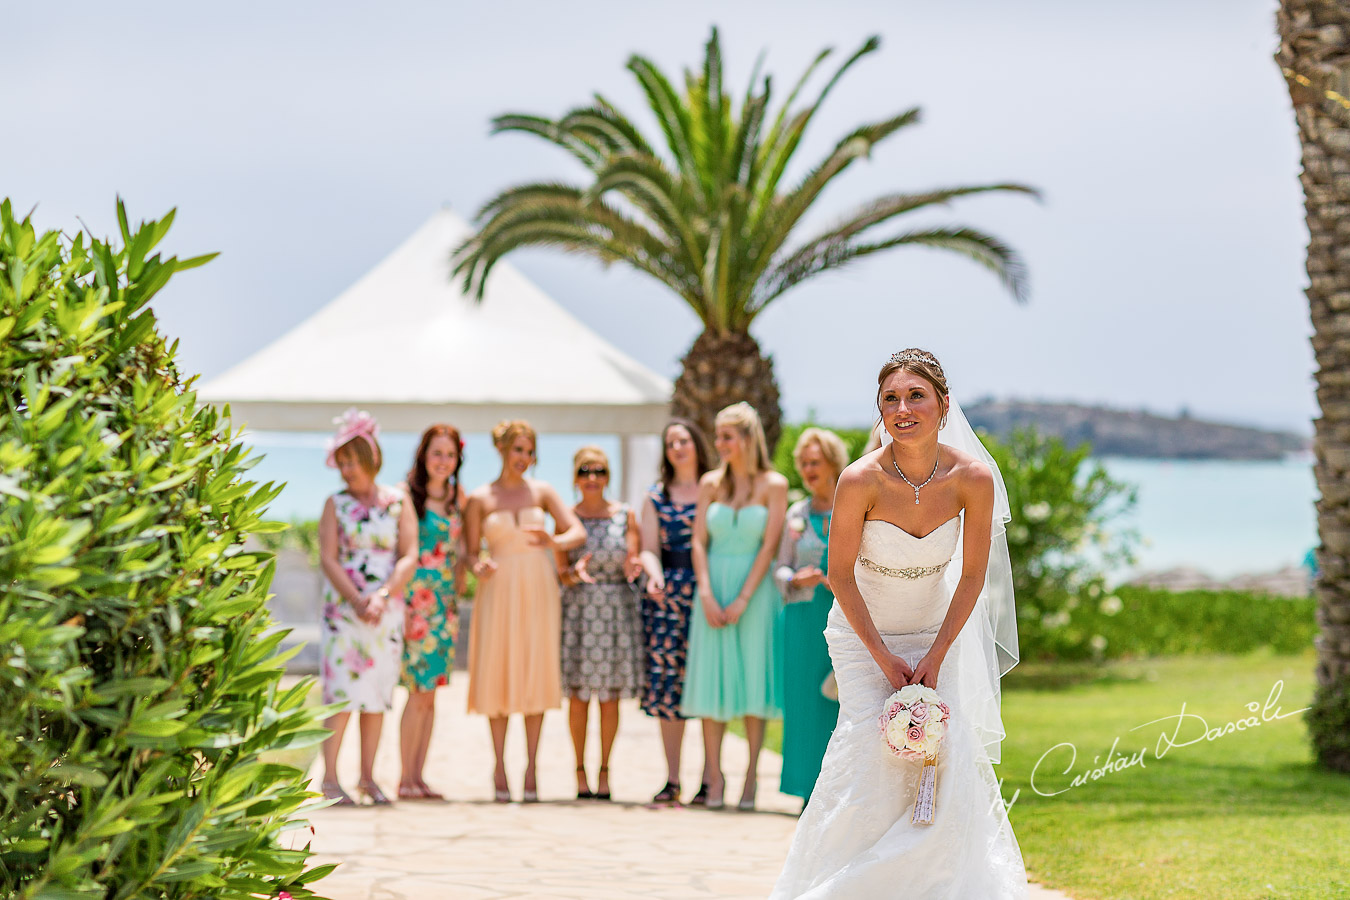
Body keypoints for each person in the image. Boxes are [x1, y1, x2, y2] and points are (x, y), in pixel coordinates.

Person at [771, 349, 1027, 898]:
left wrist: (935, 654)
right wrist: (884, 658)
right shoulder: (859, 479)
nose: (903, 408)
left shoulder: (972, 479)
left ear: (943, 404)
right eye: (890, 398)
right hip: (863, 635)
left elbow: (972, 578)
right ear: (879, 410)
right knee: (866, 754)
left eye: (916, 396)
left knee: (942, 753)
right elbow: (839, 575)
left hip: (939, 632)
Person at [463, 420, 586, 803]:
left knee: (535, 669)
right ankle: (499, 766)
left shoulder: (544, 491)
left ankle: (531, 768)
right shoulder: (480, 498)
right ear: (501, 449)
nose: (525, 458)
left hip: (538, 586)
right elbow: (468, 552)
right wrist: (476, 565)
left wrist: (554, 540)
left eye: (530, 451)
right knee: (497, 670)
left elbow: (576, 532)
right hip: (497, 590)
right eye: (519, 449)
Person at [681, 402, 788, 811]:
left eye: (727, 436)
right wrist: (706, 593)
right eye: (718, 436)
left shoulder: (774, 485)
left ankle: (750, 778)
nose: (719, 444)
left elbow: (770, 544)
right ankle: (713, 775)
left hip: (755, 593)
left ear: (747, 438)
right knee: (713, 679)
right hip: (712, 588)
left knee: (753, 679)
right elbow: (697, 541)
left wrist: (744, 597)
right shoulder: (710, 483)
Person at [317, 408, 419, 806]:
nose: (346, 470)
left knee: (376, 695)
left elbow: (409, 554)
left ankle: (368, 779)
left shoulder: (398, 501)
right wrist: (357, 599)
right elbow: (328, 558)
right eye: (341, 463)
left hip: (385, 609)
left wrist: (382, 596)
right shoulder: (334, 504)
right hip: (345, 611)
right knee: (341, 695)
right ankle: (329, 779)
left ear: (370, 459)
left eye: (351, 462)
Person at [557, 446, 645, 801]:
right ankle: (579, 771)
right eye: (585, 471)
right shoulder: (565, 517)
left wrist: (634, 567)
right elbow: (560, 572)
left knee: (609, 699)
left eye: (599, 471)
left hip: (615, 613)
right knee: (578, 698)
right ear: (575, 477)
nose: (592, 478)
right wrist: (571, 574)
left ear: (608, 476)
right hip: (579, 611)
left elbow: (633, 558)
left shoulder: (626, 515)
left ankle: (605, 771)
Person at [636, 419, 714, 805]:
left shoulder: (715, 488)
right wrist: (653, 575)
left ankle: (709, 779)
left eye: (684, 440)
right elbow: (649, 547)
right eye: (671, 443)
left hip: (707, 594)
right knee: (669, 689)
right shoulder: (656, 495)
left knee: (706, 681)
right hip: (667, 597)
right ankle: (671, 779)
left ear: (697, 444)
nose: (678, 448)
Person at [774, 427, 849, 802]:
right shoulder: (796, 513)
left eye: (815, 462)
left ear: (834, 463)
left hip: (843, 619)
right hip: (801, 621)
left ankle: (838, 793)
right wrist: (794, 578)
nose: (807, 469)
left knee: (839, 705)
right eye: (803, 463)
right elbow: (780, 568)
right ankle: (806, 791)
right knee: (803, 704)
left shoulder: (853, 504)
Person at [398, 424, 466, 800]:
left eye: (450, 454)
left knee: (431, 695)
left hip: (444, 607)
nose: (443, 461)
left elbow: (464, 550)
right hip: (415, 604)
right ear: (424, 455)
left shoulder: (458, 497)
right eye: (436, 453)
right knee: (415, 691)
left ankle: (418, 777)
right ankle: (404, 778)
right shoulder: (406, 494)